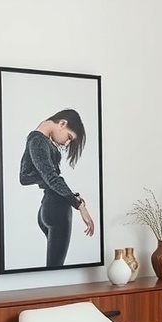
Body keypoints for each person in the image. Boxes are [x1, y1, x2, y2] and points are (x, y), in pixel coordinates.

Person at [19, 109, 95, 268]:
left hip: (48, 206)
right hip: (56, 208)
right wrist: (79, 205)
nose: (67, 143)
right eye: (69, 137)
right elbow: (51, 177)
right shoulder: (38, 141)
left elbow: (25, 176)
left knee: (54, 268)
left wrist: (65, 191)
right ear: (62, 123)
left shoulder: (38, 140)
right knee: (55, 269)